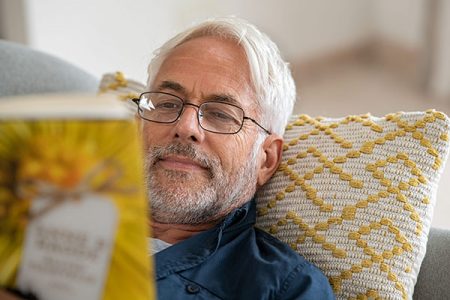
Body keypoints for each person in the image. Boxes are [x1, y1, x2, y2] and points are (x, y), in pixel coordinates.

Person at [133, 17, 335, 299]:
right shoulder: (62, 209)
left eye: (220, 114)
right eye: (167, 103)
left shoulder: (286, 289)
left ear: (265, 160)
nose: (186, 127)